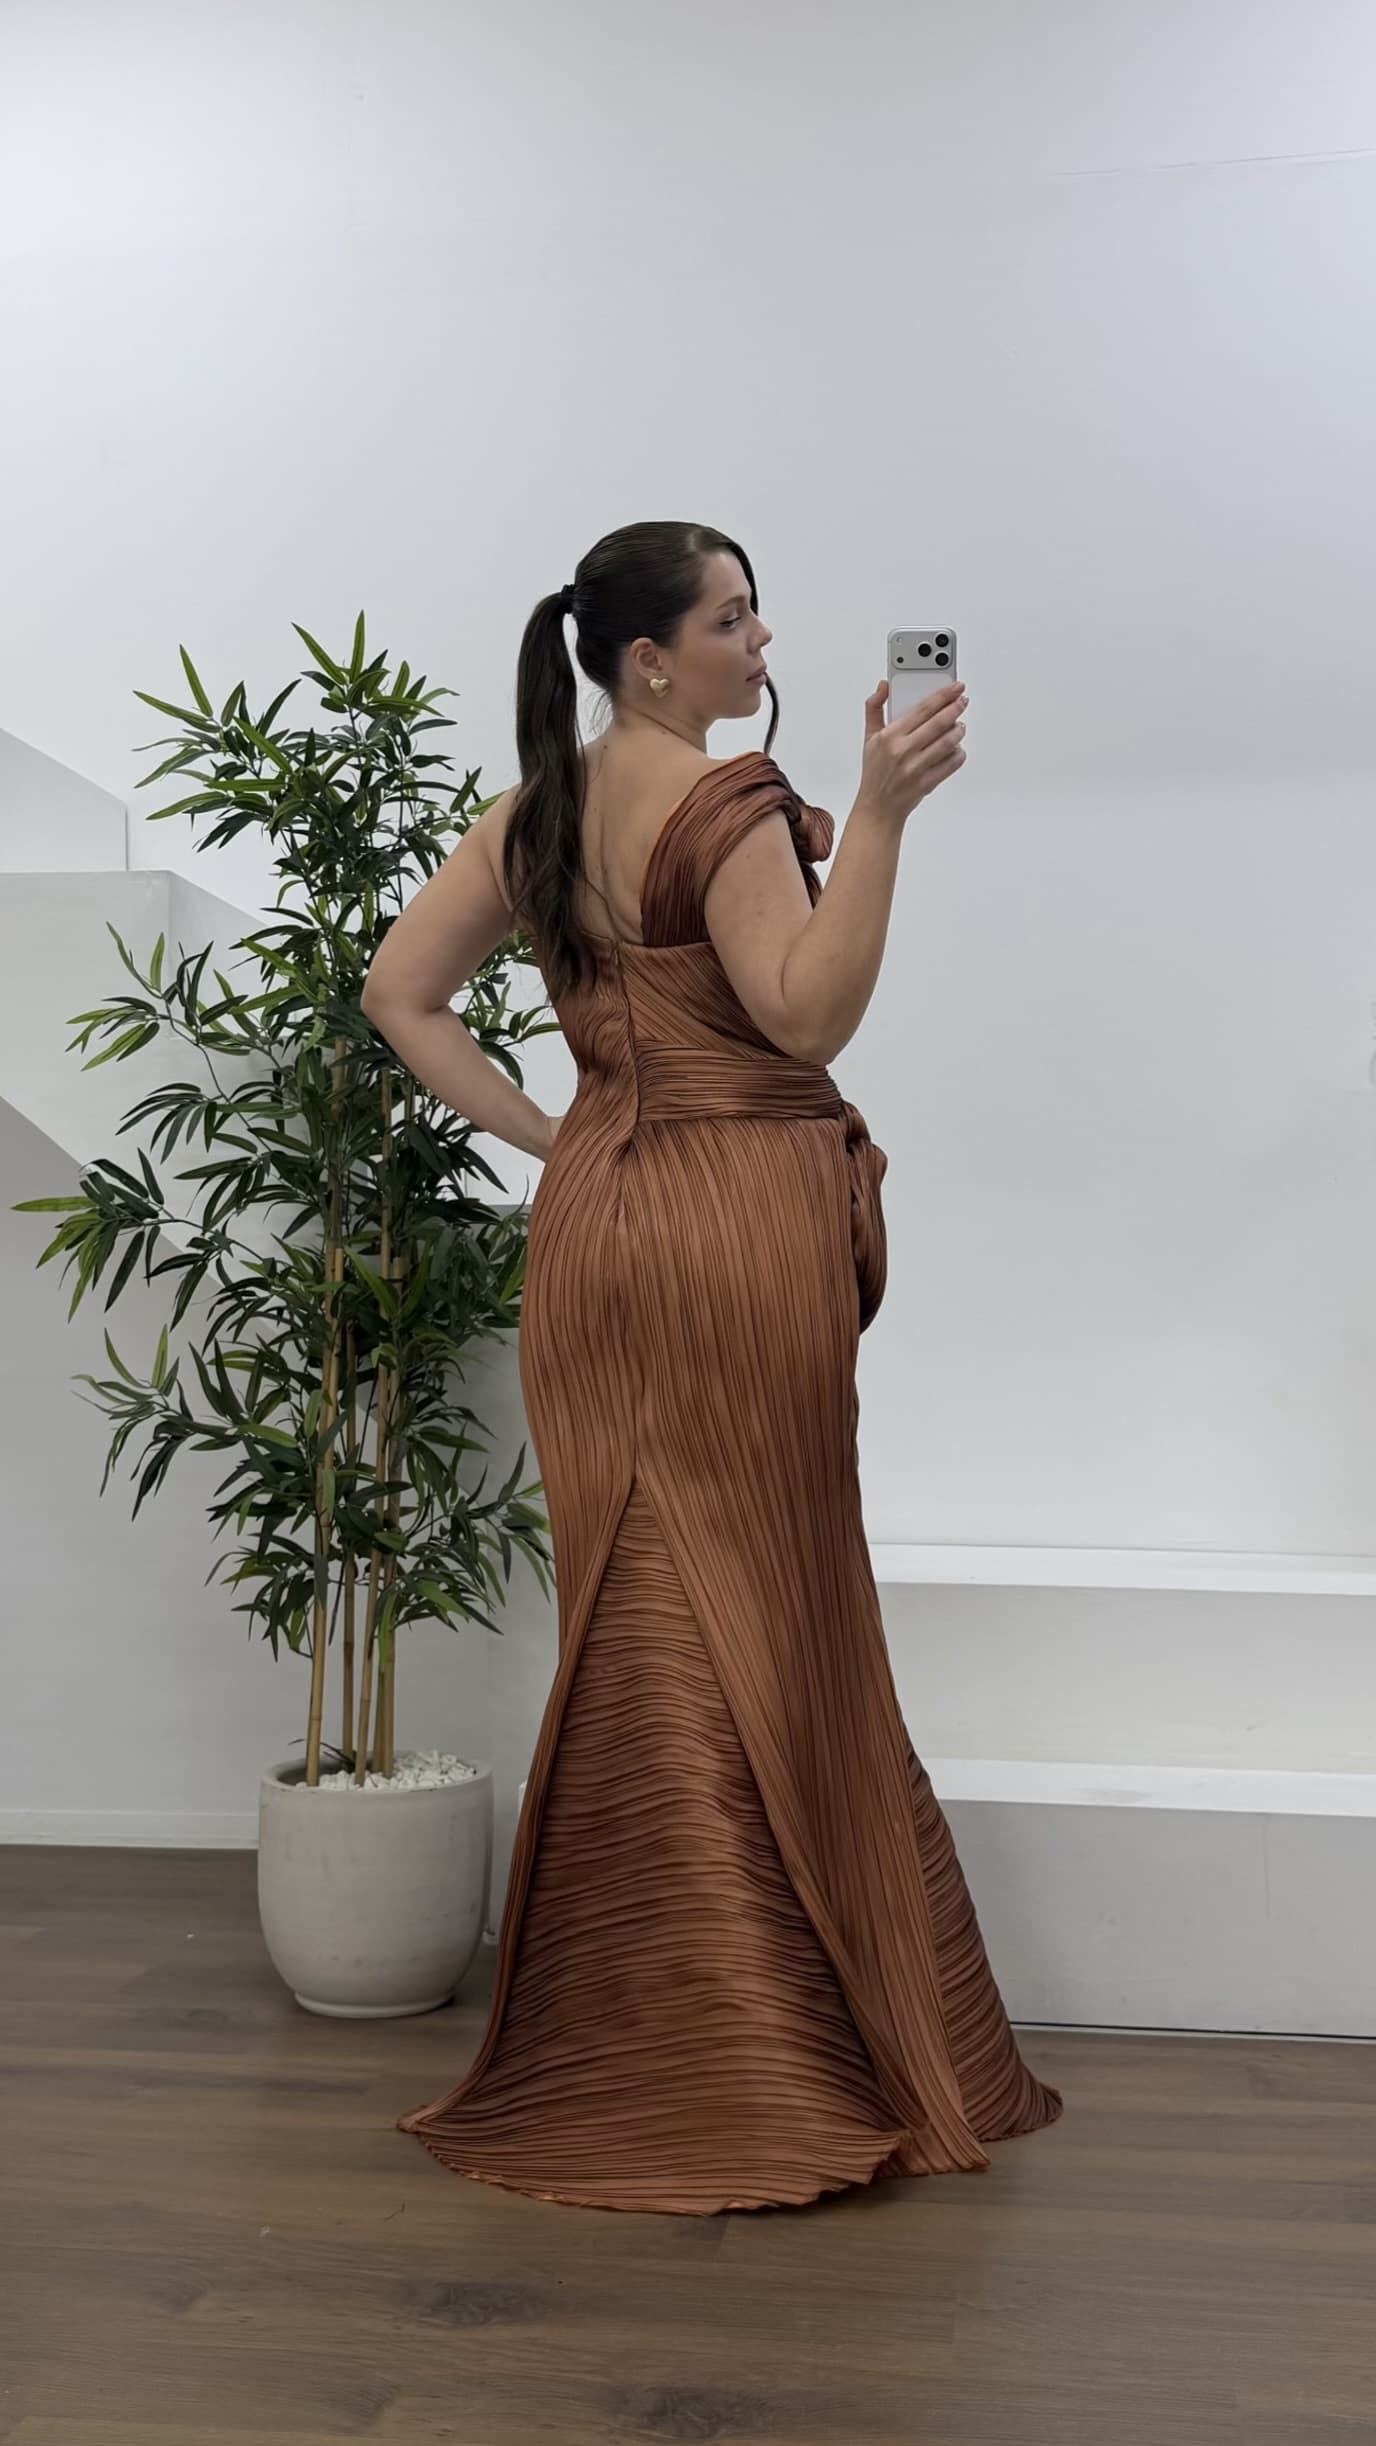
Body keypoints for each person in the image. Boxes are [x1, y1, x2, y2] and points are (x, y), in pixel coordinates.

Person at [360, 519, 1063, 2213]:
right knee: (779, 1597)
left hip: (602, 1232)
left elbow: (399, 993)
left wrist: (564, 1137)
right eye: (734, 619)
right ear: (649, 658)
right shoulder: (728, 803)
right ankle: (778, 2051)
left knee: (637, 1606)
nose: (763, 643)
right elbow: (806, 1016)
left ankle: (638, 2034)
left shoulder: (538, 810)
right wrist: (879, 815)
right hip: (737, 1224)